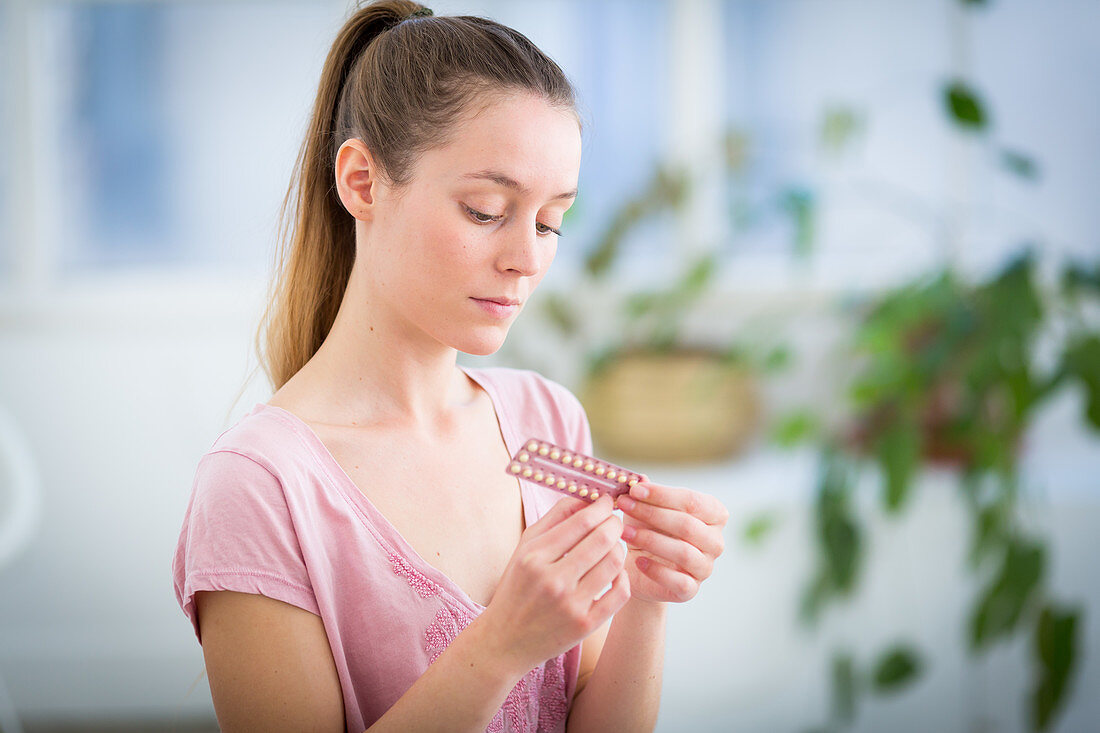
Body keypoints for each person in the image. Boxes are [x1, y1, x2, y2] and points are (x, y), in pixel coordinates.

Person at [170, 1, 730, 731]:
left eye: (551, 220)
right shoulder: (258, 487)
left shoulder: (547, 420)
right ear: (363, 182)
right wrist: (498, 647)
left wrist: (647, 601)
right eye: (485, 208)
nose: (528, 257)